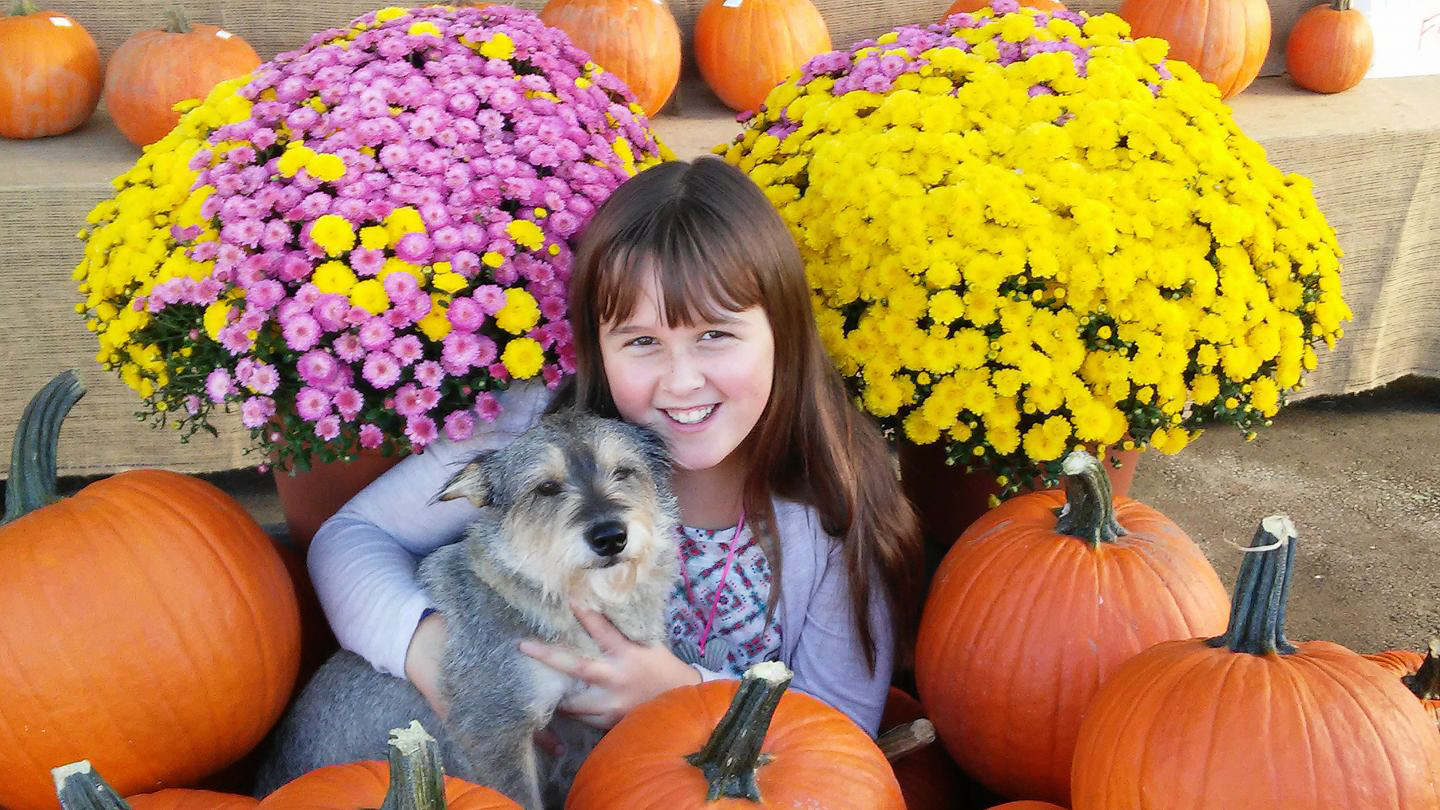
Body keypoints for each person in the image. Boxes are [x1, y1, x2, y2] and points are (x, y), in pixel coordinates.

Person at [308, 157, 923, 737]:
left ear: (782, 334)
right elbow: (352, 536)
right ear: (597, 346)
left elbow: (841, 738)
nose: (681, 381)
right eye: (641, 342)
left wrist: (684, 694)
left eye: (715, 334)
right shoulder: (536, 435)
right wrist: (426, 645)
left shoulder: (833, 517)